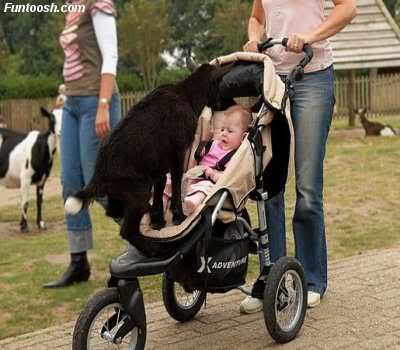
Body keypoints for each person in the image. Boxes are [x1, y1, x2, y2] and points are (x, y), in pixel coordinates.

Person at [239, 0, 357, 312]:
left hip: (313, 76)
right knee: (268, 184)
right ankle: (272, 278)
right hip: (272, 79)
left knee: (306, 187)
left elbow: (348, 9)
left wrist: (309, 36)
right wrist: (254, 38)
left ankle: (312, 279)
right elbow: (256, 17)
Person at [43, 0, 121, 288]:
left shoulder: (98, 4)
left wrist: (103, 105)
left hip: (94, 102)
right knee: (70, 183)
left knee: (96, 184)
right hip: (73, 104)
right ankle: (79, 263)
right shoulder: (71, 7)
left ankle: (142, 237)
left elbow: (110, 56)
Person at [163, 105, 252, 215]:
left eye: (229, 131)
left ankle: (191, 204)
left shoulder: (236, 157)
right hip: (192, 177)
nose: (223, 133)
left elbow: (229, 179)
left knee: (204, 188)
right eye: (222, 129)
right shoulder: (214, 144)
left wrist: (213, 175)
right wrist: (201, 150)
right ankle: (162, 201)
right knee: (169, 177)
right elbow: (199, 154)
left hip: (209, 183)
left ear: (243, 138)